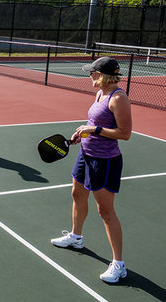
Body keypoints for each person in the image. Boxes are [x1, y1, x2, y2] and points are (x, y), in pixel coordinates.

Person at [50, 57, 132, 284]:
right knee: (77, 194)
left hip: (104, 161)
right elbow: (95, 121)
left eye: (92, 72)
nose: (89, 76)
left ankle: (119, 264)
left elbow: (125, 133)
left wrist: (94, 129)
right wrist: (83, 133)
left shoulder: (118, 99)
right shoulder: (100, 93)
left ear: (103, 76)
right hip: (85, 154)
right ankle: (76, 237)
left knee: (105, 212)